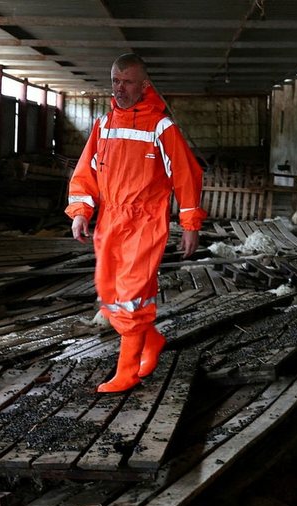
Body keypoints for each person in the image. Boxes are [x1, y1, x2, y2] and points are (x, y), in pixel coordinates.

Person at [66, 53, 207, 393]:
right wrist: (82, 211)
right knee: (111, 294)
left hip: (145, 221)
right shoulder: (104, 126)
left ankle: (126, 371)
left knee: (130, 294)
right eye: (115, 80)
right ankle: (152, 340)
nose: (120, 88)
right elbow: (86, 173)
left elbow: (187, 176)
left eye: (127, 81)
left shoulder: (161, 126)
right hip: (110, 220)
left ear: (144, 84)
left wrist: (190, 224)